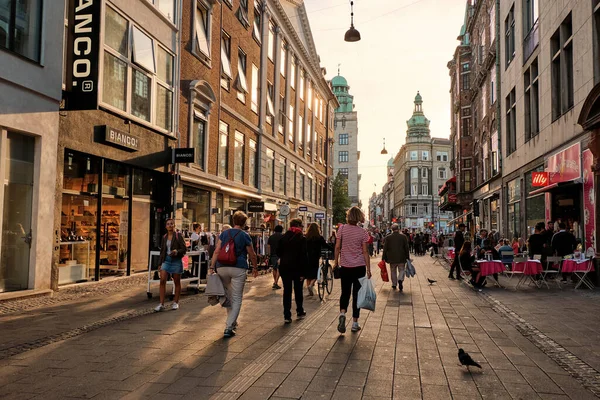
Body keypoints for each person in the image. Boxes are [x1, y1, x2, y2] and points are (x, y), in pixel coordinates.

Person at [210, 211, 258, 338]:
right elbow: (251, 254)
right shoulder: (245, 235)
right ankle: (228, 326)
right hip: (238, 268)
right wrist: (255, 267)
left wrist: (211, 266)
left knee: (229, 297)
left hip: (222, 267)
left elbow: (217, 251)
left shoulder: (224, 233)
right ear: (244, 223)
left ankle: (232, 322)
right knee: (236, 298)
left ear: (233, 221)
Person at [334, 206, 372, 334]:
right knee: (357, 295)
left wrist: (335, 262)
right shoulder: (363, 232)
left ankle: (343, 314)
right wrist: (368, 269)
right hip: (359, 267)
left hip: (345, 267)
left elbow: (337, 247)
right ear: (359, 217)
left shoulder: (342, 229)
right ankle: (355, 323)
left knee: (345, 292)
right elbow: (365, 251)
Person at [277, 219, 308, 323]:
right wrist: (303, 272)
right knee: (298, 290)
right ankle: (299, 310)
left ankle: (287, 315)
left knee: (287, 291)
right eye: (302, 226)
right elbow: (304, 256)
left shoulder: (283, 237)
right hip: (297, 268)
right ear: (299, 226)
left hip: (285, 267)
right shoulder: (301, 238)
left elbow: (278, 252)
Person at [155, 218, 187, 312]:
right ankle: (161, 304)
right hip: (166, 260)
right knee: (162, 280)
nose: (170, 225)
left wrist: (176, 251)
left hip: (176, 260)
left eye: (171, 224)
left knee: (176, 281)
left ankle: (175, 302)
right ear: (166, 226)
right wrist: (160, 263)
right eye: (168, 224)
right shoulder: (164, 237)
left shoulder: (178, 235)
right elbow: (162, 251)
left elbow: (184, 249)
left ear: (174, 225)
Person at [305, 223, 332, 296]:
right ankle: (311, 285)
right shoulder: (319, 237)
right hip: (315, 257)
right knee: (315, 273)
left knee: (308, 274)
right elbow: (325, 245)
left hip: (307, 257)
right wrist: (332, 249)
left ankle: (308, 288)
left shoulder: (306, 237)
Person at [382, 224, 410, 291]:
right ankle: (400, 279)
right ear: (398, 228)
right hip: (401, 257)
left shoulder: (388, 237)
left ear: (392, 229)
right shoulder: (403, 237)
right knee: (402, 270)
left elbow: (385, 248)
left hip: (392, 258)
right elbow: (406, 248)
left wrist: (383, 257)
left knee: (393, 271)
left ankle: (394, 284)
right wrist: (407, 257)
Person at [267, 225, 284, 290]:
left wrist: (268, 254)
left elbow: (268, 246)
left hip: (273, 254)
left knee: (274, 268)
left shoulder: (271, 237)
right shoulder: (283, 237)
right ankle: (275, 282)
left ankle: (275, 281)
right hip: (280, 255)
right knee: (279, 269)